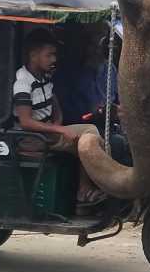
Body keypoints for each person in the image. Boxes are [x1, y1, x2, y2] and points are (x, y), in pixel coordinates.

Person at [13, 29, 107, 206]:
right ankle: (84, 191)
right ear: (33, 55)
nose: (53, 60)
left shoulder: (45, 76)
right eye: (49, 55)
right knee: (90, 134)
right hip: (31, 139)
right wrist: (59, 129)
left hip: (48, 133)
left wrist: (58, 120)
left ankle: (83, 190)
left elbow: (53, 98)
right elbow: (25, 122)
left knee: (89, 140)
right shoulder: (23, 82)